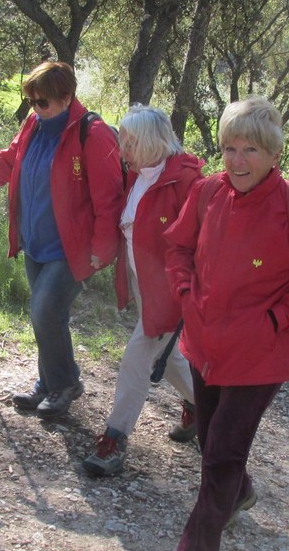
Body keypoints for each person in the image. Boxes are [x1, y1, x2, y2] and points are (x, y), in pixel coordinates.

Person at [151, 96, 289, 551]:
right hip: (204, 346)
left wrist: (276, 319)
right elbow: (178, 247)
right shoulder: (208, 191)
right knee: (214, 442)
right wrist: (185, 291)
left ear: (274, 153)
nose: (237, 162)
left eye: (250, 150)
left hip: (260, 357)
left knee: (221, 455)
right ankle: (241, 495)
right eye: (229, 148)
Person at [0, 62, 123, 419]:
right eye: (32, 102)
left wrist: (101, 252)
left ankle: (65, 385)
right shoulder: (34, 125)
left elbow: (110, 199)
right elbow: (7, 162)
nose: (36, 109)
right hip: (36, 241)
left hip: (73, 250)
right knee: (50, 316)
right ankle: (48, 384)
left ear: (67, 97)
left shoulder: (93, 133)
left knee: (43, 310)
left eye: (43, 102)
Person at [82, 105, 205, 478]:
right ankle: (203, 407)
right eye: (124, 141)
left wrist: (188, 293)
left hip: (172, 291)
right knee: (165, 358)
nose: (123, 150)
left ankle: (115, 439)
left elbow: (203, 243)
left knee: (137, 357)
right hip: (145, 284)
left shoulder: (187, 181)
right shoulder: (139, 174)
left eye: (131, 142)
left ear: (153, 141)